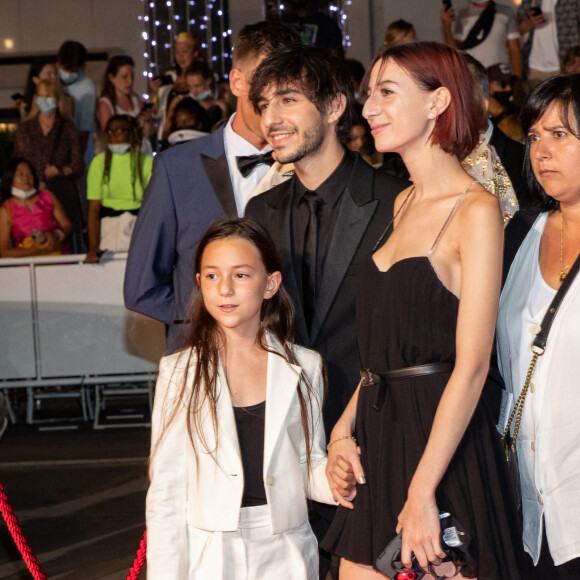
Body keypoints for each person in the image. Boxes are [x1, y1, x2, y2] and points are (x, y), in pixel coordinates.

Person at [320, 42, 528, 579]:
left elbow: (474, 365)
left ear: (438, 102)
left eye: (387, 93)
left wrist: (422, 490)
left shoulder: (475, 210)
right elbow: (381, 353)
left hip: (443, 448)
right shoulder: (400, 201)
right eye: (369, 94)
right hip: (381, 432)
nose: (368, 109)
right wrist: (343, 432)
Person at [244, 44, 407, 576]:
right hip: (287, 450)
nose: (271, 118)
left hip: (375, 438)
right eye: (264, 104)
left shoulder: (395, 200)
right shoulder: (261, 211)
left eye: (288, 100)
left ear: (336, 107)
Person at [146, 217, 350, 578]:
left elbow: (308, 464)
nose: (224, 289)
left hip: (286, 550)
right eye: (211, 276)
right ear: (199, 284)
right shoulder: (179, 372)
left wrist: (337, 478)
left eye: (241, 275)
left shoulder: (304, 365)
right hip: (208, 553)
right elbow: (166, 491)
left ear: (270, 283)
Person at [124, 21, 301, 354]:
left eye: (287, 93)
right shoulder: (176, 168)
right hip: (199, 356)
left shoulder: (310, 166)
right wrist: (203, 320)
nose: (272, 109)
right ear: (236, 81)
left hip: (289, 358)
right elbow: (141, 287)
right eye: (262, 89)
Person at [497, 73, 580, 579]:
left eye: (561, 135)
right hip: (525, 505)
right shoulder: (520, 232)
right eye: (534, 137)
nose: (541, 150)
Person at [85, 115, 152, 263]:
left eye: (119, 131)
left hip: (138, 227)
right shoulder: (99, 162)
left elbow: (154, 207)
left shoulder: (147, 162)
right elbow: (94, 209)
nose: (113, 135)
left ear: (131, 133)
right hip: (110, 227)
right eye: (109, 131)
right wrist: (93, 246)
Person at [13, 78, 84, 185]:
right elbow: (18, 160)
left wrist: (60, 170)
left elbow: (78, 164)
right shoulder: (25, 128)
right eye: (40, 96)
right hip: (32, 189)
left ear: (57, 100)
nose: (44, 100)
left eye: (48, 96)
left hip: (60, 189)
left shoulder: (67, 128)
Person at [0, 158, 72, 257]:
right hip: (28, 266)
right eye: (20, 174)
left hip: (58, 259)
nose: (26, 178)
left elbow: (67, 226)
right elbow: (5, 252)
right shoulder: (6, 209)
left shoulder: (47, 196)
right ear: (10, 178)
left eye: (29, 174)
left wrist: (55, 235)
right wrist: (34, 250)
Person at [441, 0, 522, 79]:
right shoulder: (462, 14)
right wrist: (446, 25)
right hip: (473, 77)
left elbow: (515, 50)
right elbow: (455, 49)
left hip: (499, 76)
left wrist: (517, 80)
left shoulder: (505, 12)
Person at [149, 32, 202, 143]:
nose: (180, 56)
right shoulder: (170, 78)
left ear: (195, 52)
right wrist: (154, 93)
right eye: (177, 52)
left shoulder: (203, 78)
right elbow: (156, 112)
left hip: (194, 136)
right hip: (168, 138)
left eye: (184, 51)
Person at [517, 0, 580, 91]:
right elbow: (518, 29)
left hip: (566, 67)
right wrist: (530, 23)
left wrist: (577, 61)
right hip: (534, 69)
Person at [97, 55, 154, 152]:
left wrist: (148, 120)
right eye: (124, 77)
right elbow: (109, 136)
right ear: (111, 78)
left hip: (142, 151)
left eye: (132, 76)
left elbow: (148, 132)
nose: (130, 81)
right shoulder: (106, 103)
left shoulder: (135, 98)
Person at [57, 40, 97, 165]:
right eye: (65, 67)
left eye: (71, 68)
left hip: (79, 155)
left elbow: (85, 130)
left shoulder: (86, 87)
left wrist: (76, 162)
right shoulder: (53, 79)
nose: (67, 72)